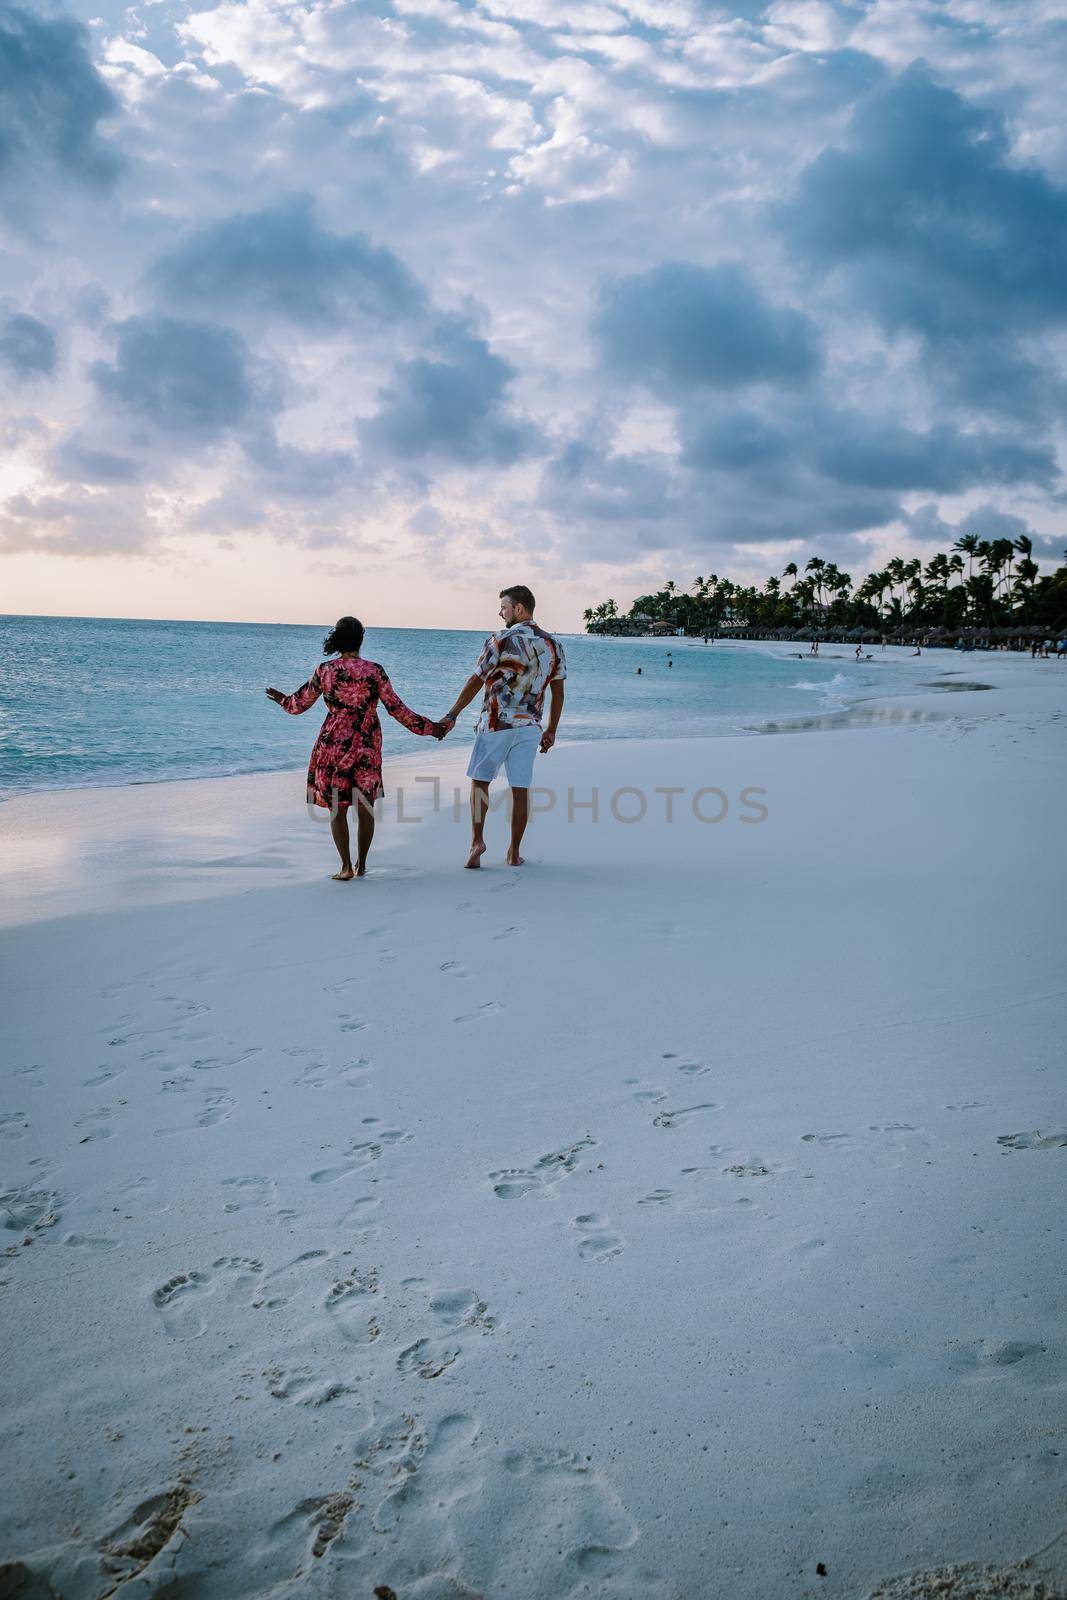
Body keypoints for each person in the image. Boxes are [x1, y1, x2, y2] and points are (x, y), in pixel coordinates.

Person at [266, 616, 445, 881]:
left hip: (333, 743)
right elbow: (397, 709)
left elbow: (299, 705)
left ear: (337, 638)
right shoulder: (375, 671)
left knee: (337, 807)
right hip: (367, 743)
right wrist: (432, 728)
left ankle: (345, 866)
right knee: (366, 806)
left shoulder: (325, 670)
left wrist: (282, 699)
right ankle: (362, 865)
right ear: (361, 638)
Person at [439, 585, 566, 868]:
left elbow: (476, 680)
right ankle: (514, 852)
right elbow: (558, 693)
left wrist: (452, 714)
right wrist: (551, 730)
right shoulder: (553, 645)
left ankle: (477, 842)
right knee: (520, 788)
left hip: (496, 723)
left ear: (519, 609)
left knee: (480, 782)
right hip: (530, 726)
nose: (500, 612)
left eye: (504, 607)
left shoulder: (501, 638)